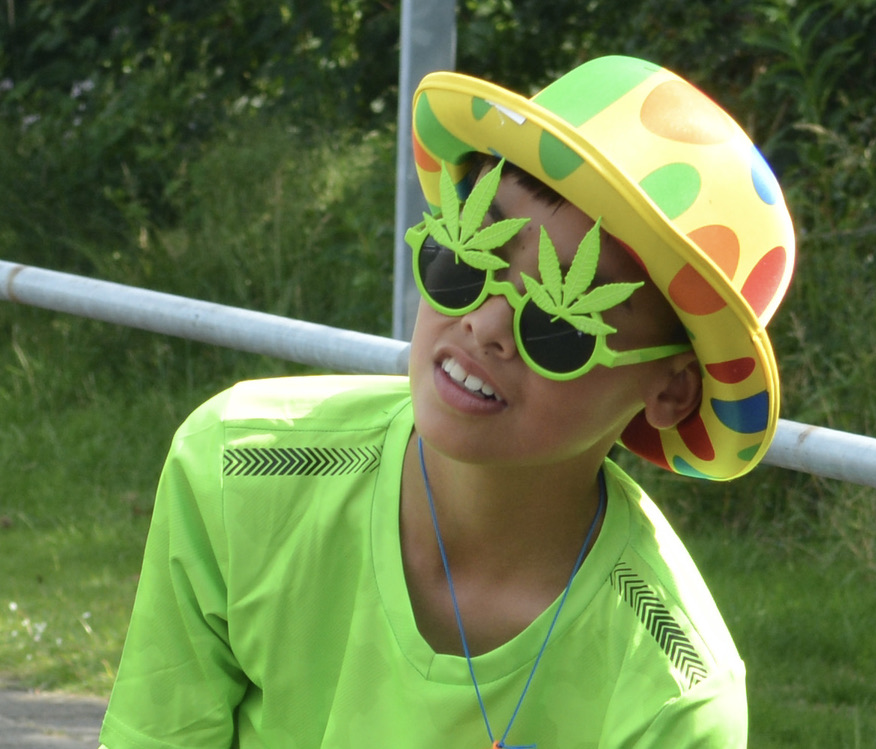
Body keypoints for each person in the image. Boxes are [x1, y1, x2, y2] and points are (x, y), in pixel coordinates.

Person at [98, 55, 795, 748]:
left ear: (670, 389)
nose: (486, 325)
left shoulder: (672, 691)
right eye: (469, 254)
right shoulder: (237, 469)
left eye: (563, 320)